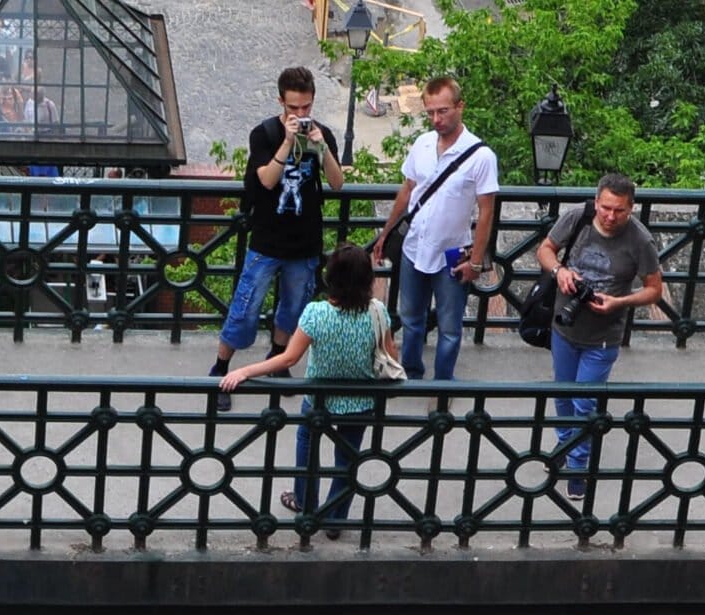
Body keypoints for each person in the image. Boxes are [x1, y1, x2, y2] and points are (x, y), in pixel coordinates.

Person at [221, 244, 395, 536]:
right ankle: (335, 517)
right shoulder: (377, 312)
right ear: (368, 280)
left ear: (331, 279)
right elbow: (391, 357)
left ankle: (306, 503)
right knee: (348, 458)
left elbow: (288, 358)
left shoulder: (316, 313)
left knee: (307, 444)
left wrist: (243, 371)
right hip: (361, 400)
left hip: (319, 398)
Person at [208, 68, 347, 391]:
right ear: (281, 102)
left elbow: (337, 184)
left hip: (305, 239)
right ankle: (221, 366)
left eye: (306, 107)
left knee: (293, 307)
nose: (301, 115)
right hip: (267, 239)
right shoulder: (264, 134)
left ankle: (278, 358)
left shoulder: (322, 134)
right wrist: (287, 143)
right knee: (245, 306)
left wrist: (322, 147)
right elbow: (267, 180)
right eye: (294, 108)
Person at [533, 172, 665, 499]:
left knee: (585, 400)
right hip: (564, 326)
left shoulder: (640, 241)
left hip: (603, 335)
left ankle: (578, 466)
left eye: (619, 210)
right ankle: (565, 446)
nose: (609, 216)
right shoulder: (578, 217)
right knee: (563, 394)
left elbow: (654, 290)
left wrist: (620, 302)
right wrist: (560, 271)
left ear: (631, 208)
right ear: (596, 202)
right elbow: (546, 249)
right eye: (605, 207)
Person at [370, 74, 499, 382]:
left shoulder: (481, 156)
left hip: (452, 253)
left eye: (443, 111)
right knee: (410, 318)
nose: (436, 119)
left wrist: (476, 261)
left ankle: (442, 384)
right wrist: (386, 232)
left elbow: (486, 212)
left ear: (460, 107)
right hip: (414, 247)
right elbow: (408, 190)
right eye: (430, 112)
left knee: (450, 327)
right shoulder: (423, 144)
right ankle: (412, 375)